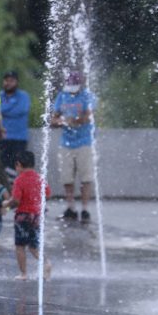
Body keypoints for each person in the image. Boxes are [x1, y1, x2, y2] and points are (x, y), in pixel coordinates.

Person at [50, 71, 96, 223]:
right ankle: (71, 207)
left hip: (84, 142)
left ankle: (85, 209)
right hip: (66, 143)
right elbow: (54, 118)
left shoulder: (87, 96)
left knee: (85, 178)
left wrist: (74, 120)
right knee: (67, 178)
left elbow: (88, 116)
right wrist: (62, 121)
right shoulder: (62, 96)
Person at [4, 151, 52, 281]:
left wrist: (6, 204)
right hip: (36, 216)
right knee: (33, 246)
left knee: (20, 246)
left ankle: (23, 273)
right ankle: (46, 262)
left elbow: (16, 200)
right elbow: (47, 194)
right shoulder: (40, 178)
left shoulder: (19, 180)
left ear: (18, 165)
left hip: (23, 217)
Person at [0, 71, 31, 182]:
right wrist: (11, 105)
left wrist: (4, 109)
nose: (8, 83)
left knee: (18, 164)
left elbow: (20, 110)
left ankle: (17, 188)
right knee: (3, 165)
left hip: (19, 138)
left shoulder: (23, 96)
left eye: (11, 81)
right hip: (3, 137)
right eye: (6, 80)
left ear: (16, 82)